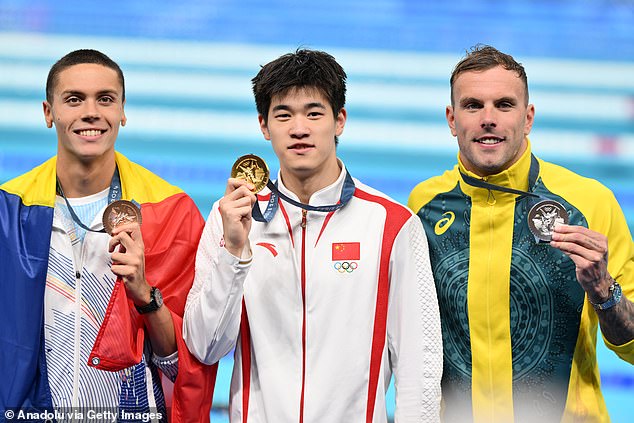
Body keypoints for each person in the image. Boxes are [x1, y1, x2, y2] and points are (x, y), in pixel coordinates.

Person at [183, 49, 443, 422]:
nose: (299, 128)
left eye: (314, 113)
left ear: (339, 121)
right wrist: (234, 255)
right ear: (263, 125)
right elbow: (205, 346)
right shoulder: (232, 218)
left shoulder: (391, 224)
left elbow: (420, 364)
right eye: (283, 114)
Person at [408, 44, 634, 422]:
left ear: (527, 118)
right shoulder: (424, 205)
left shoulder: (589, 202)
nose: (488, 119)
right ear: (451, 119)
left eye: (504, 105)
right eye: (473, 105)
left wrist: (603, 291)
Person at [0, 49, 216, 421]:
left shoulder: (170, 212)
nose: (91, 112)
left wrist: (145, 296)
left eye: (105, 99)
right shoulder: (8, 212)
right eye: (73, 99)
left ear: (122, 111)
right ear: (48, 113)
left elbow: (186, 361)